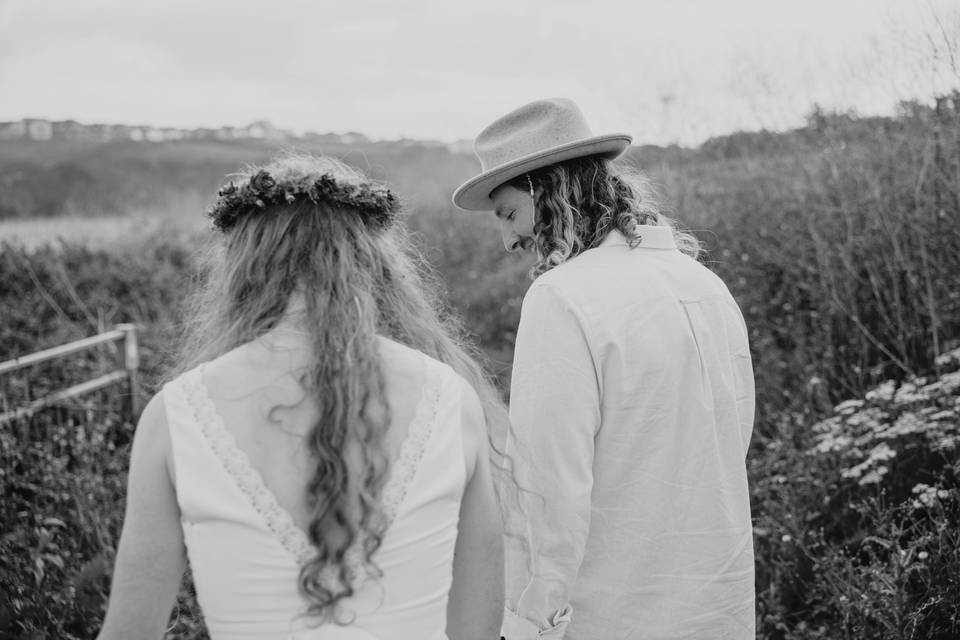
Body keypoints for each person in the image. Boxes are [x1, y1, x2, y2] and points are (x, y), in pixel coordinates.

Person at [97, 154, 505, 640]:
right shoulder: (453, 400)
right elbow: (478, 628)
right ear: (374, 265)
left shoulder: (174, 416)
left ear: (243, 268)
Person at [453, 98, 756, 639]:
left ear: (546, 192)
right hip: (720, 606)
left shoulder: (561, 298)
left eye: (507, 213)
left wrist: (525, 621)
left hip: (615, 613)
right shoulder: (705, 285)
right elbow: (733, 439)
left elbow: (548, 490)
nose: (508, 240)